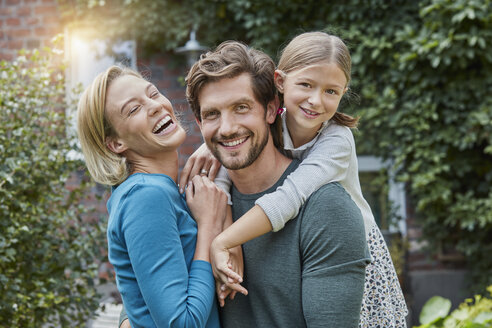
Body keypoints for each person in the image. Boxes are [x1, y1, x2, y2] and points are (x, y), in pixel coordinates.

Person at [181, 31, 408, 327]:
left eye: (331, 91)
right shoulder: (205, 183)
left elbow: (290, 197)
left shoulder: (336, 142)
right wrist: (211, 146)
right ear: (280, 83)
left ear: (270, 110)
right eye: (212, 115)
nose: (315, 101)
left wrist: (223, 241)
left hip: (354, 251)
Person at [77, 66, 231, 328]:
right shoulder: (146, 196)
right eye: (134, 109)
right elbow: (181, 324)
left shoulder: (152, 190)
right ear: (116, 144)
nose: (155, 106)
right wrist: (208, 226)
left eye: (154, 94)